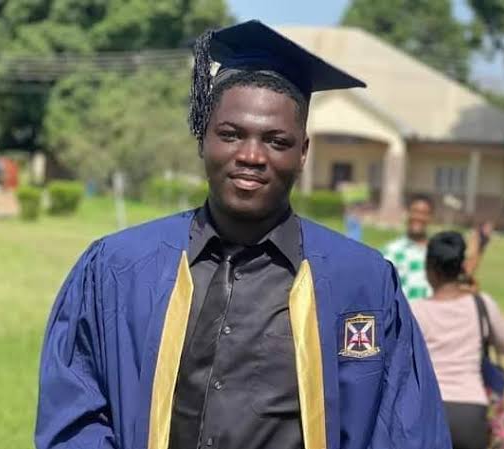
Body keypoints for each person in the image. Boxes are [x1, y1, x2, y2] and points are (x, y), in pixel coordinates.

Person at [35, 20, 450, 449]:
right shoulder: (119, 269)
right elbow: (75, 414)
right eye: (231, 135)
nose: (251, 155)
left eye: (276, 141)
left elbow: (405, 429)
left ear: (303, 152)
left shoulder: (361, 283)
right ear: (203, 139)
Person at [411, 231, 504, 449]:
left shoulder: (416, 311)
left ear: (429, 269)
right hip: (471, 413)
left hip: (428, 410)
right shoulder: (481, 304)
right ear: (461, 267)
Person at [382, 194, 434, 300]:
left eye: (424, 213)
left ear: (430, 217)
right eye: (415, 211)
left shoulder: (436, 252)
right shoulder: (391, 251)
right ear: (407, 213)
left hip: (431, 310)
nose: (418, 217)